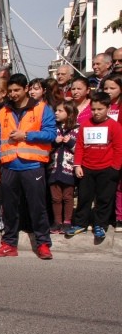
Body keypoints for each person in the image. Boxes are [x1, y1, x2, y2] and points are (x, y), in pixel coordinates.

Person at [0, 73, 57, 259]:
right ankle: (9, 244)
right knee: (9, 208)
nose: (13, 94)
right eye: (10, 91)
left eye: (17, 90)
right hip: (9, 166)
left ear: (26, 89)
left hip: (33, 165)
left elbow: (51, 134)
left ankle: (43, 243)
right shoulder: (4, 111)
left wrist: (26, 136)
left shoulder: (42, 109)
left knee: (38, 206)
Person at [65, 92, 122, 239]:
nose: (96, 112)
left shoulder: (114, 126)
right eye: (93, 109)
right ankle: (80, 224)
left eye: (100, 109)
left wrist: (114, 168)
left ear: (108, 108)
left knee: (104, 199)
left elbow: (118, 148)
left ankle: (100, 225)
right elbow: (80, 146)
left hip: (107, 169)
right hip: (86, 169)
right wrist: (77, 165)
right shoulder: (86, 124)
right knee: (84, 198)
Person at [48, 101, 79, 233]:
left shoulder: (77, 129)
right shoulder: (53, 128)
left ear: (70, 113)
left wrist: (70, 142)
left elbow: (80, 149)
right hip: (54, 169)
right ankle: (57, 222)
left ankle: (67, 221)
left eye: (60, 111)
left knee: (67, 196)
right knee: (55, 197)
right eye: (56, 110)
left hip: (69, 170)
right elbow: (47, 147)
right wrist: (55, 143)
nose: (56, 113)